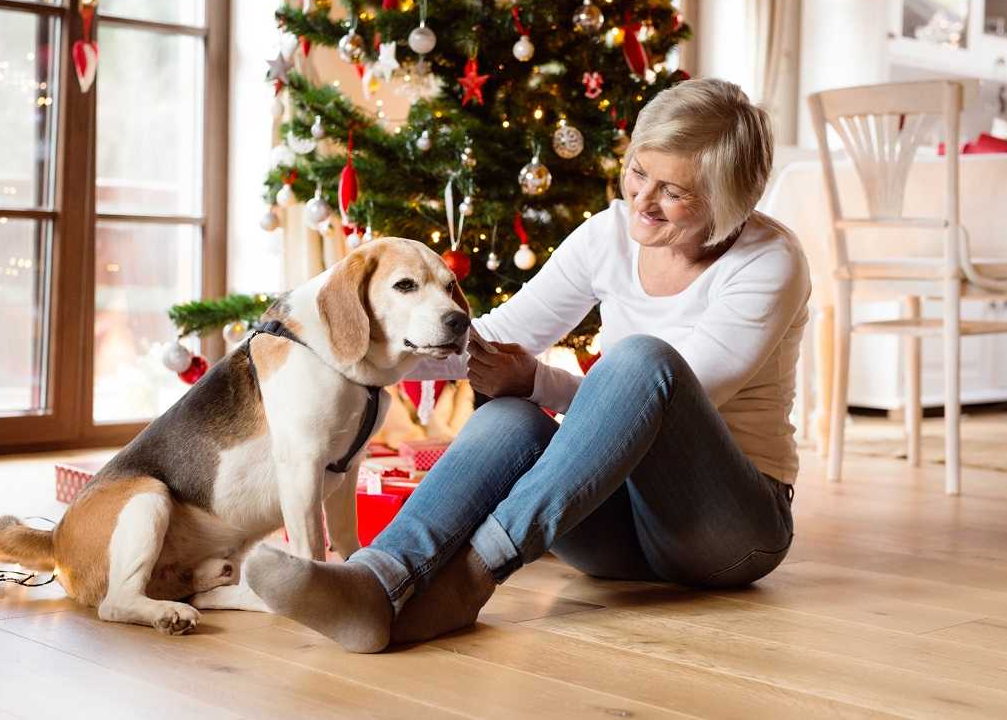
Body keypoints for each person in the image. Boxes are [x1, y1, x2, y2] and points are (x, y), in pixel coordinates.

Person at [246, 78, 811, 653]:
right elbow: (492, 341)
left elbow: (666, 393)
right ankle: (378, 581)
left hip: (728, 532)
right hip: (613, 530)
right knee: (512, 415)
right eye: (639, 172)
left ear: (727, 199)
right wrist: (335, 351)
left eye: (673, 191)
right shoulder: (609, 235)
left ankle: (469, 580)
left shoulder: (768, 261)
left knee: (641, 359)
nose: (642, 200)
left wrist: (539, 379)